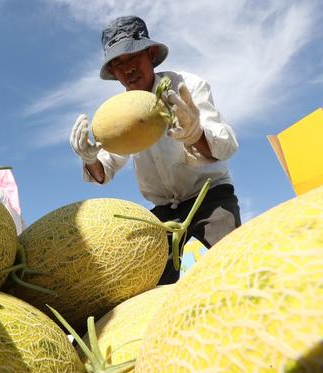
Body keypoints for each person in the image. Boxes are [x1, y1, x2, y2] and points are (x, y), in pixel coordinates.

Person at [69, 15, 241, 284]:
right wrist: (89, 158)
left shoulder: (187, 85)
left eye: (132, 57)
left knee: (234, 270)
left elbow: (226, 145)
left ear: (150, 53)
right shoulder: (121, 113)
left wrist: (195, 134)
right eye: (117, 64)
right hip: (162, 212)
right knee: (153, 290)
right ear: (112, 73)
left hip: (210, 198)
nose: (126, 70)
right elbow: (104, 170)